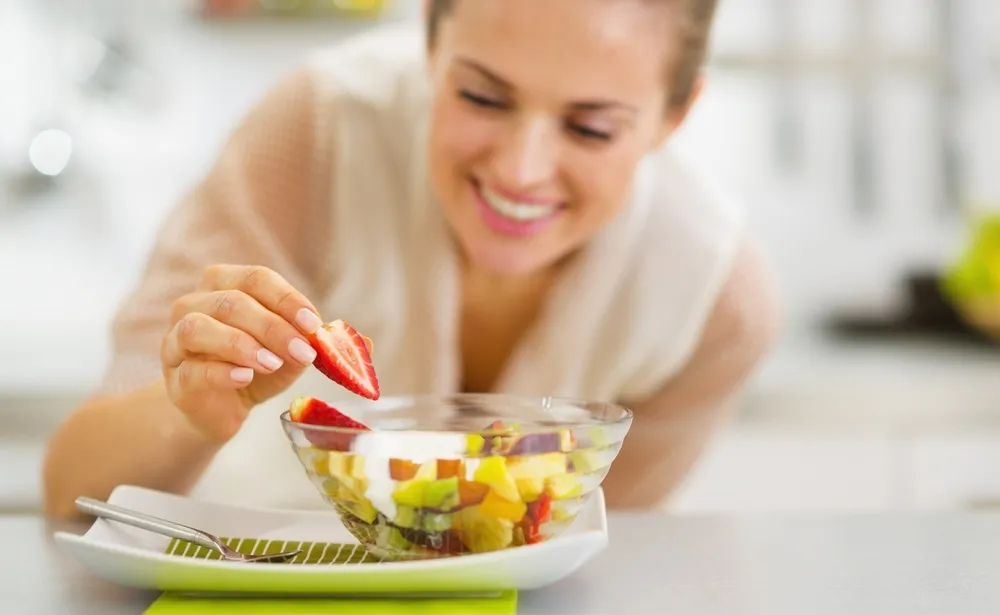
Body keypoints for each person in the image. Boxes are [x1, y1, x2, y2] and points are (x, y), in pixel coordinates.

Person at [42, 0, 781, 518]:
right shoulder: (317, 132)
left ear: (674, 117)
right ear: (430, 39)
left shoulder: (715, 300)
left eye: (590, 129)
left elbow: (597, 559)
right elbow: (71, 493)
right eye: (483, 98)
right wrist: (187, 412)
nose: (521, 171)